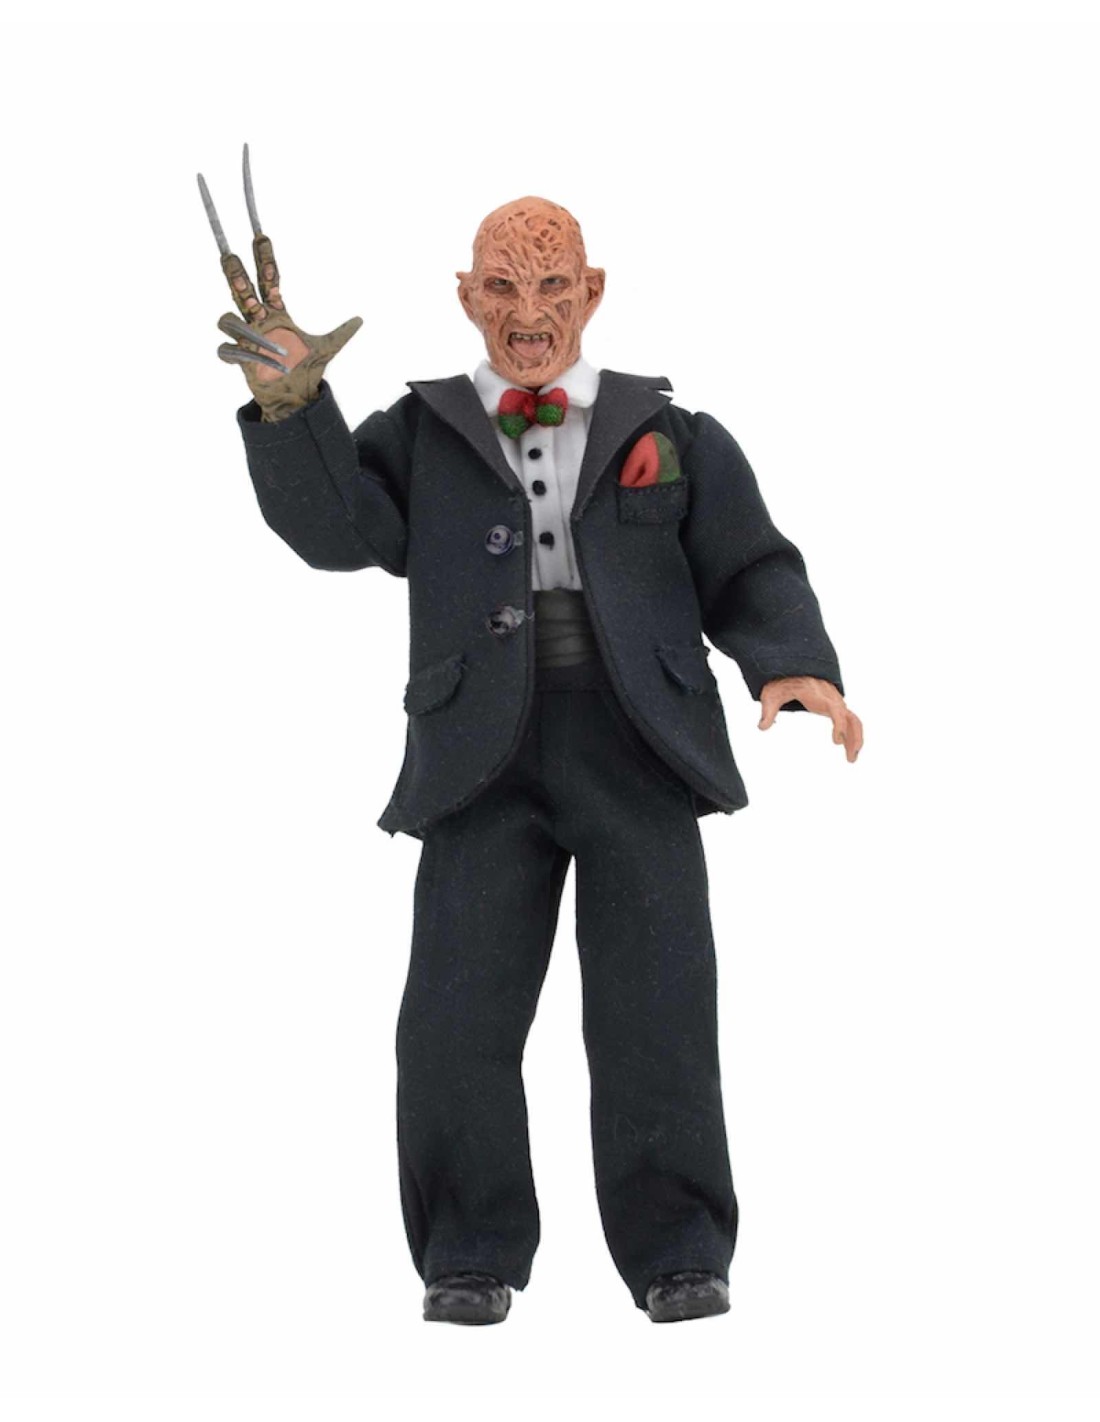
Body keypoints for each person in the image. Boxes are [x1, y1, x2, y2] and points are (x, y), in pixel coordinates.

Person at [201, 149, 863, 1326]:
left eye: (552, 287)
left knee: (657, 1006)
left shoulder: (672, 430)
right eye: (502, 289)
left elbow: (747, 561)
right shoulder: (420, 432)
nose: (527, 314)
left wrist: (791, 662)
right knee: (453, 1016)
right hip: (478, 751)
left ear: (591, 291)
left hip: (638, 743)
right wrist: (293, 407)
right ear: (466, 296)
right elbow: (342, 533)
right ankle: (467, 1250)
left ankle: (678, 1249)